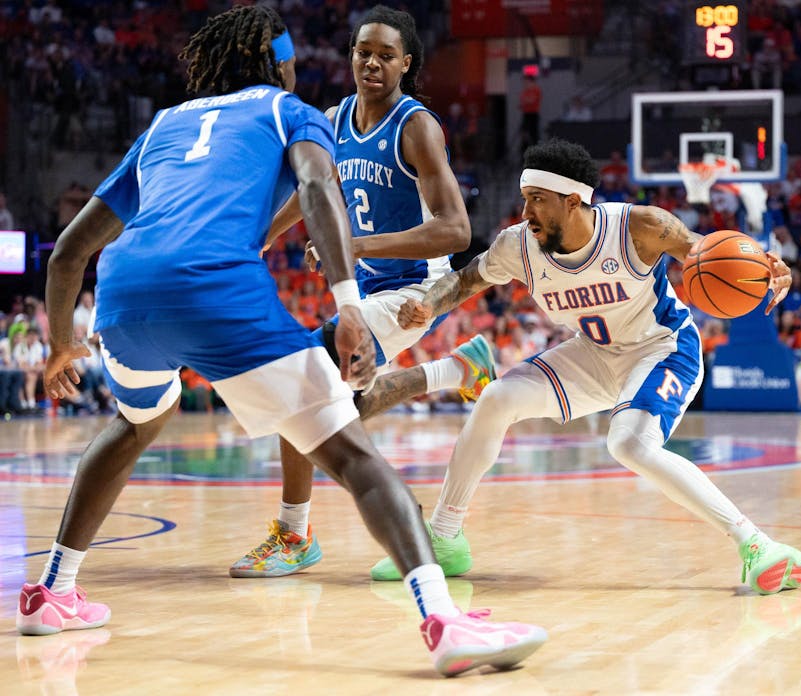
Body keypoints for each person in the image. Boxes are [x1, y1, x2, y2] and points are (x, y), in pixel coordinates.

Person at [15, 6, 546, 677]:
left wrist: (62, 343)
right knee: (352, 455)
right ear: (280, 62)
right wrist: (347, 303)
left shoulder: (163, 125)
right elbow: (319, 185)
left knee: (133, 422)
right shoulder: (292, 111)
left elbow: (67, 252)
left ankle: (50, 593)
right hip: (217, 292)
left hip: (123, 296)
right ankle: (444, 620)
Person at [372, 138, 801, 595]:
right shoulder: (517, 246)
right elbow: (464, 280)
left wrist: (762, 266)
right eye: (525, 199)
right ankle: (445, 537)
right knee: (496, 397)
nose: (526, 212)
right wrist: (428, 304)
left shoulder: (638, 227)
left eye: (537, 200)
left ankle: (757, 544)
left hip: (660, 349)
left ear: (572, 201)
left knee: (630, 445)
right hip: (593, 354)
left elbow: (703, 251)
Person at [231, 5, 497, 580]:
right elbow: (312, 194)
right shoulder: (333, 117)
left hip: (413, 291)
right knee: (338, 408)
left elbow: (457, 231)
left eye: (385, 54)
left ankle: (295, 533)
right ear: (350, 56)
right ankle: (456, 372)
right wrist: (257, 239)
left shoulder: (417, 126)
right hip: (359, 290)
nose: (372, 62)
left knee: (305, 380)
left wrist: (357, 246)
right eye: (363, 51)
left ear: (406, 63)